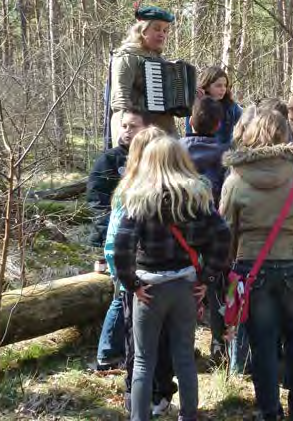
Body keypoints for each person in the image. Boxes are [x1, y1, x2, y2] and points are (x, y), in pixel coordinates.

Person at [113, 136, 231, 421]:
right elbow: (223, 236)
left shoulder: (138, 198)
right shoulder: (198, 197)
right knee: (184, 358)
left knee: (143, 361)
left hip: (149, 288)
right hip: (185, 287)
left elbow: (122, 246)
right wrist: (207, 276)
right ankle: (189, 416)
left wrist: (132, 285)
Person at [220, 110, 293, 421]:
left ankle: (268, 410)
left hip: (252, 267)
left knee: (262, 342)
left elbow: (227, 230)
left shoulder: (235, 180)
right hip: (291, 263)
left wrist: (233, 263)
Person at [103, 126, 178, 415]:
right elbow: (114, 243)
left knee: (162, 342)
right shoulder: (128, 192)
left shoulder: (170, 193)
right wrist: (126, 282)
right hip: (136, 283)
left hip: (159, 280)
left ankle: (161, 393)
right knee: (138, 345)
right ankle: (136, 396)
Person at [89, 110, 149, 371]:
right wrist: (101, 253)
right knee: (120, 297)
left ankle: (130, 348)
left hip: (142, 249)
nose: (126, 130)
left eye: (133, 126)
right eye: (123, 125)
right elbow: (100, 209)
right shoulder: (108, 161)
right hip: (119, 248)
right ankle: (107, 353)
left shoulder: (149, 159)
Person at [179, 96, 230, 366]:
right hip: (212, 230)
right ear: (219, 124)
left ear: (189, 121)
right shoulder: (225, 154)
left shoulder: (174, 150)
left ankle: (184, 346)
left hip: (179, 232)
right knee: (215, 287)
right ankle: (219, 343)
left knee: (183, 288)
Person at [109, 5, 177, 145]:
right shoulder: (127, 56)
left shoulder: (160, 61)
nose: (162, 34)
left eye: (165, 30)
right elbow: (119, 101)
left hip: (162, 133)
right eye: (156, 29)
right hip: (136, 133)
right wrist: (122, 141)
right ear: (142, 30)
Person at [187, 66, 242, 145]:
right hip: (198, 150)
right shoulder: (195, 106)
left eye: (225, 85)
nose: (223, 89)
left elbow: (245, 124)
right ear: (206, 86)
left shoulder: (232, 107)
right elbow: (189, 135)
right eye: (218, 85)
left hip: (224, 154)